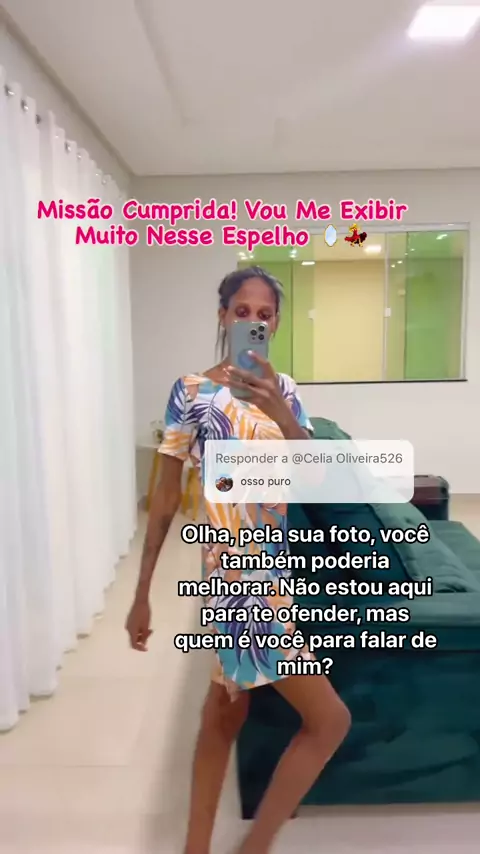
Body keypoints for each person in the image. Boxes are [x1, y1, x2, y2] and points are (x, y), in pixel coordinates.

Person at [125, 267, 351, 854]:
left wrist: (281, 412)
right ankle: (254, 848)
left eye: (264, 314)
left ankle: (197, 848)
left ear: (276, 325)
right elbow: (166, 495)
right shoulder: (192, 391)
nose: (254, 321)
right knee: (329, 720)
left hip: (275, 567)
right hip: (236, 575)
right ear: (223, 316)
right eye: (242, 311)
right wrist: (142, 591)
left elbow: (315, 479)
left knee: (225, 712)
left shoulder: (286, 390)